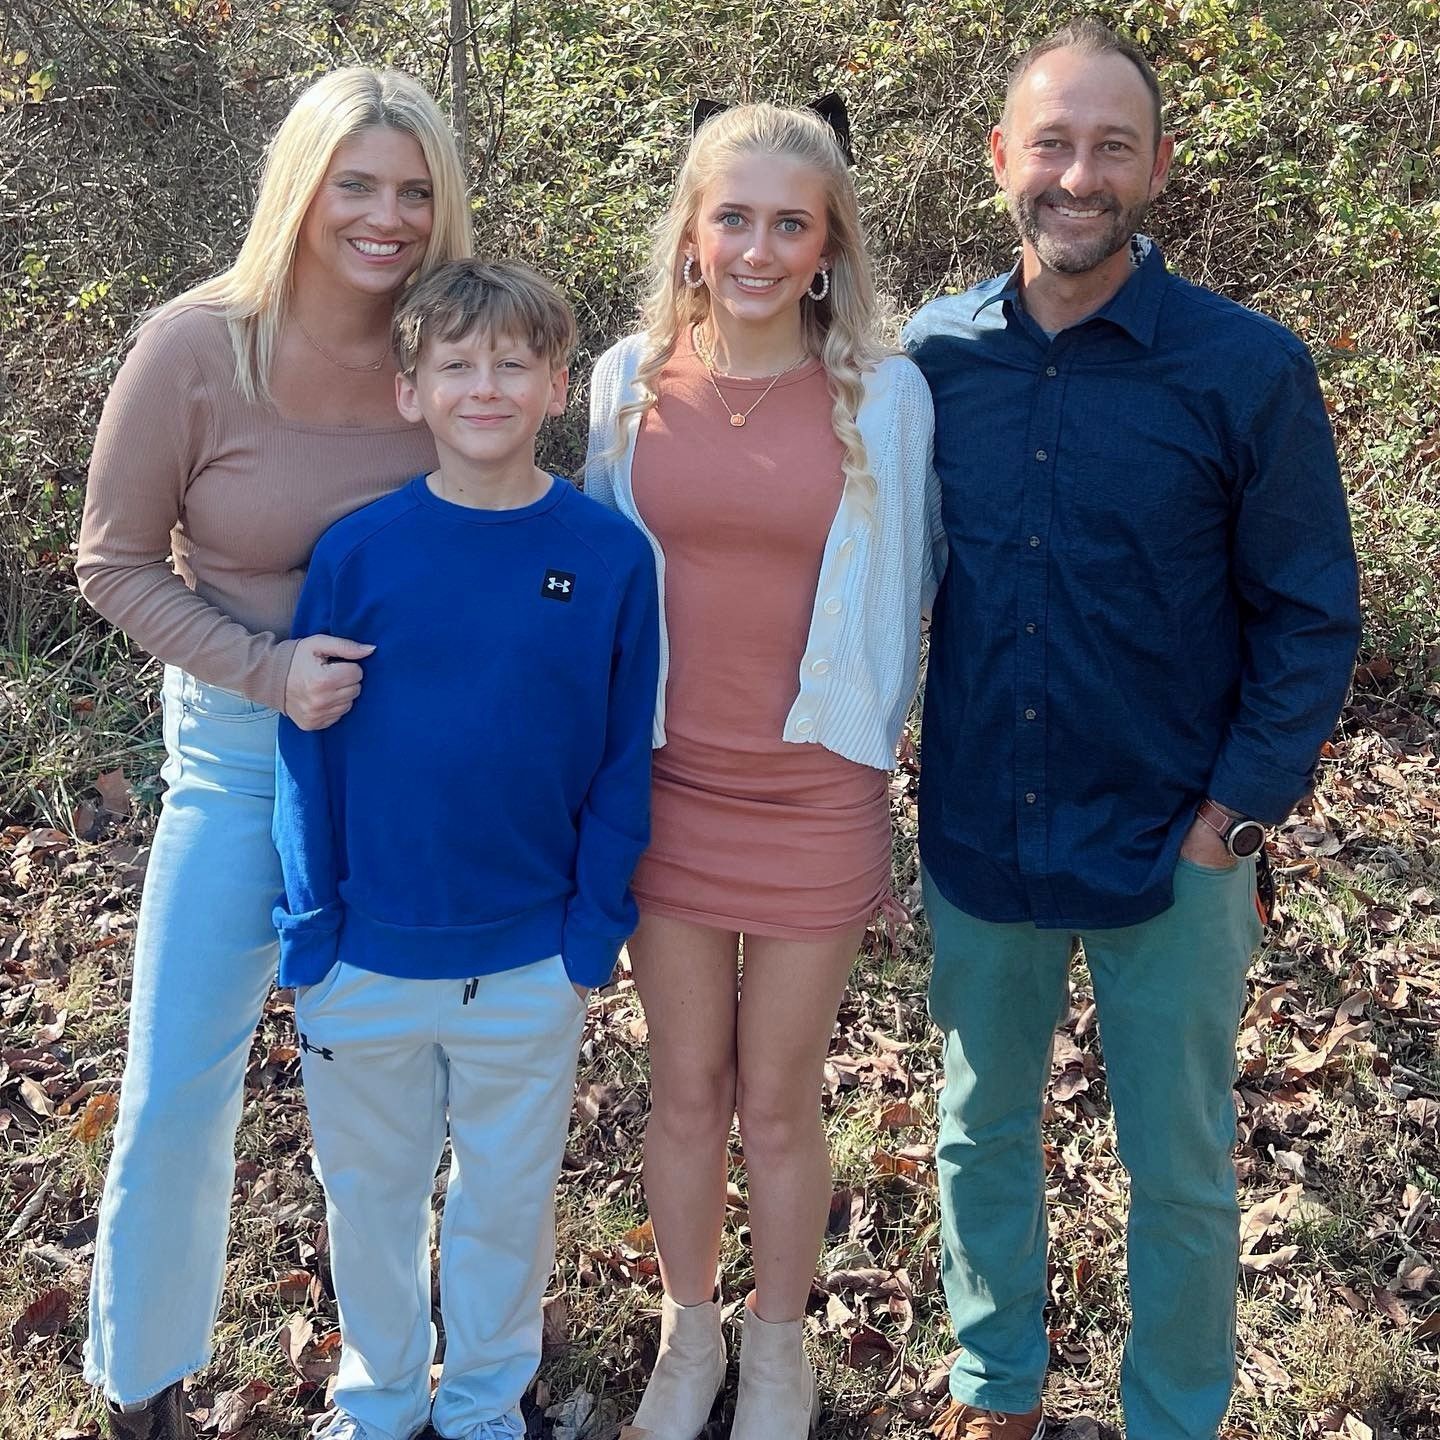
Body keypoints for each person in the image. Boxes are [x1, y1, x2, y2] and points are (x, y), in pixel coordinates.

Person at [903, 19, 1361, 1440]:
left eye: (1111, 145)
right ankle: (998, 1389)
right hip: (984, 821)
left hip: (1178, 840)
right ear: (1001, 163)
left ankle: (1174, 1411)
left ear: (1159, 166)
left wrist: (1238, 813)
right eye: (1051, 142)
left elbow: (1308, 612)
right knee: (982, 1130)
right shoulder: (925, 363)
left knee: (1176, 1159)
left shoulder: (1246, 370)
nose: (1078, 174)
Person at [74, 67, 472, 1440]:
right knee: (179, 1077)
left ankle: (410, 1381)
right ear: (300, 186)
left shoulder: (452, 342)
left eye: (414, 190)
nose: (387, 217)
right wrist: (265, 668)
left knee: (401, 1096)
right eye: (357, 184)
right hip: (245, 757)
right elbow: (114, 565)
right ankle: (142, 1388)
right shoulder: (197, 347)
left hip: (417, 769)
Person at [585, 102, 939, 1440]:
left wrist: (881, 777)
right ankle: (690, 1339)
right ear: (692, 228)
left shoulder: (886, 397)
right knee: (684, 1089)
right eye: (733, 216)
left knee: (780, 1100)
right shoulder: (624, 383)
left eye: (790, 223)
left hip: (810, 797)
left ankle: (778, 1352)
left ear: (827, 247)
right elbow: (593, 594)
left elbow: (904, 594)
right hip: (664, 788)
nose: (757, 245)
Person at [272, 258, 659, 1440]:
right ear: (411, 392)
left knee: (504, 1199)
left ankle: (487, 1404)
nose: (483, 387)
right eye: (455, 365)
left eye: (510, 365)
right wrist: (313, 931)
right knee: (372, 1201)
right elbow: (308, 750)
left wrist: (591, 934)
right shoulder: (358, 553)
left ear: (555, 385)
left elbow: (623, 756)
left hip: (530, 957)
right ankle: (382, 1401)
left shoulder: (606, 556)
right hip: (368, 955)